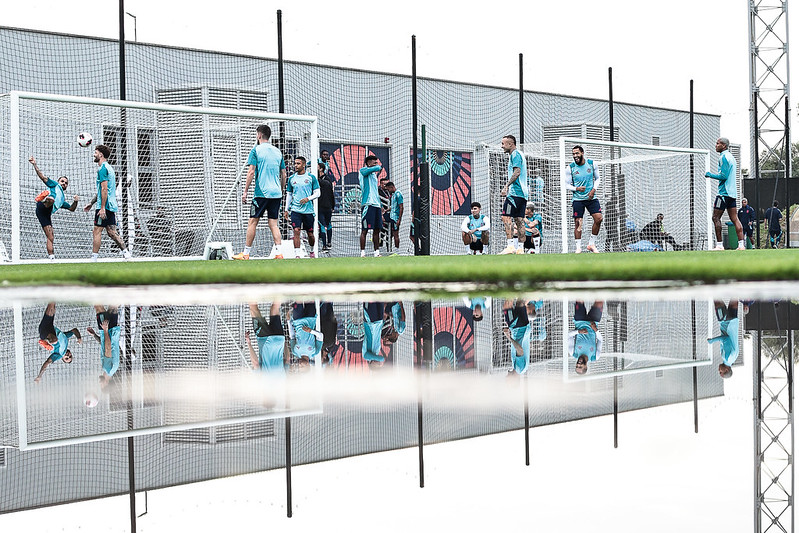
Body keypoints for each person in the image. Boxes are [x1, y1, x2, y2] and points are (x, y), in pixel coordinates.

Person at [234, 125, 287, 260]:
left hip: (261, 193)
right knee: (273, 224)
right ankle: (279, 253)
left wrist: (245, 191)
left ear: (259, 135)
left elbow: (251, 172)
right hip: (276, 194)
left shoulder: (255, 150)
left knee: (253, 221)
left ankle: (246, 253)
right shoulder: (278, 152)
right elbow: (284, 174)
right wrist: (280, 190)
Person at [83, 145, 132, 261]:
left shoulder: (102, 169)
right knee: (111, 232)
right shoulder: (109, 168)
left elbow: (104, 189)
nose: (94, 155)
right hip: (111, 204)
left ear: (101, 155)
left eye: (95, 153)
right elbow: (104, 190)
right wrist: (91, 203)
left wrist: (102, 208)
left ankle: (94, 258)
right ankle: (126, 253)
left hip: (104, 205)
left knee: (97, 230)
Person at [28, 156, 79, 260]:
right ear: (58, 181)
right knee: (51, 199)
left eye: (66, 183)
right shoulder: (55, 185)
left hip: (45, 214)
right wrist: (34, 164)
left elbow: (71, 209)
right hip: (43, 206)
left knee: (50, 237)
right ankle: (44, 199)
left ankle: (51, 258)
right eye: (62, 181)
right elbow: (42, 177)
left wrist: (75, 201)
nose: (64, 183)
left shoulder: (62, 200)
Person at [705, 137, 745, 250]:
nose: (716, 145)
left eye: (718, 143)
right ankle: (741, 245)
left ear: (724, 146)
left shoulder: (724, 157)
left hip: (723, 193)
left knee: (715, 217)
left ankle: (719, 245)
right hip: (732, 194)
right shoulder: (731, 157)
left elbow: (724, 176)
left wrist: (710, 175)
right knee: (735, 219)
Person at [563, 145, 602, 253]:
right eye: (573, 154)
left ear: (582, 153)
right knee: (578, 222)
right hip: (578, 199)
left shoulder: (592, 164)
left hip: (591, 197)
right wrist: (576, 188)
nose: (575, 156)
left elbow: (598, 178)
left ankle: (591, 244)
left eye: (577, 153)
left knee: (599, 219)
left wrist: (593, 190)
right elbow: (566, 184)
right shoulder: (570, 168)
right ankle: (578, 248)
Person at [33, 302, 82, 383]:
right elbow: (74, 330)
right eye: (70, 356)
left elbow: (47, 363)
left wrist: (39, 376)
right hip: (49, 326)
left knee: (55, 340)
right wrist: (79, 337)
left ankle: (46, 342)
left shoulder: (58, 354)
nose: (68, 355)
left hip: (45, 334)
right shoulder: (65, 340)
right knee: (52, 304)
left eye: (66, 358)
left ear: (62, 358)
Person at [285, 156, 320, 258]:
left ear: (304, 165)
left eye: (298, 163)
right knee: (296, 231)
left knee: (310, 234)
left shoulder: (311, 177)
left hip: (308, 210)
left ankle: (312, 251)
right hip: (295, 209)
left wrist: (308, 199)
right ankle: (297, 255)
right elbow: (289, 194)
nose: (296, 165)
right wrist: (286, 209)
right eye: (295, 163)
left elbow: (318, 193)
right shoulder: (291, 178)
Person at [499, 135, 528, 254]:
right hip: (523, 194)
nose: (502, 146)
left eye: (503, 144)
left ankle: (510, 246)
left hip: (515, 193)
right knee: (519, 220)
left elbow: (517, 172)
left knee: (505, 216)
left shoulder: (515, 154)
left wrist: (507, 186)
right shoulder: (520, 154)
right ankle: (520, 248)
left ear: (510, 144)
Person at [246, 300, 287, 375]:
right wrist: (249, 344)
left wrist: (284, 342)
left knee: (275, 309)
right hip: (265, 340)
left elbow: (287, 359)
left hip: (279, 340)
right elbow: (255, 363)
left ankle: (280, 294)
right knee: (254, 310)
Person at [86, 305, 121, 390]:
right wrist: (105, 330)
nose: (100, 383)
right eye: (102, 386)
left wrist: (94, 335)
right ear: (106, 383)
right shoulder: (107, 369)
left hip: (113, 331)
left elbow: (105, 347)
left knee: (113, 305)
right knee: (98, 307)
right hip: (108, 330)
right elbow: (108, 347)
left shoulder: (114, 369)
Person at [569, 300, 604, 375]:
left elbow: (568, 336)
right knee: (600, 302)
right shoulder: (594, 356)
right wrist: (595, 330)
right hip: (593, 322)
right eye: (580, 367)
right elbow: (600, 340)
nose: (578, 364)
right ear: (586, 367)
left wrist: (578, 331)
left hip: (580, 321)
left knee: (579, 299)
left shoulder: (573, 353)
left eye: (576, 366)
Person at [359, 155, 384, 257]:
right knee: (365, 230)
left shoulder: (373, 175)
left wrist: (380, 205)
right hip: (368, 204)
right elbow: (378, 168)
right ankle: (362, 253)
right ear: (368, 163)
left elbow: (375, 191)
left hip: (376, 205)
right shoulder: (363, 171)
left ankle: (376, 252)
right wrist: (377, 166)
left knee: (377, 229)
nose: (376, 164)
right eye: (374, 162)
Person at [287, 301, 323, 371]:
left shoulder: (295, 352)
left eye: (299, 367)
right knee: (310, 297)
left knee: (298, 300)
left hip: (297, 320)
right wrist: (311, 331)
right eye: (302, 366)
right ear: (308, 366)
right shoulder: (315, 352)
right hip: (310, 319)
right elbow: (320, 336)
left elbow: (292, 336)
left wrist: (289, 321)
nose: (299, 365)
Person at [709, 300, 739, 379]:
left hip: (733, 322)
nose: (719, 370)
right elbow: (725, 339)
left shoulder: (734, 358)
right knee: (717, 299)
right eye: (720, 372)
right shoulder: (727, 358)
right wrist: (712, 340)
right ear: (726, 370)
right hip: (725, 322)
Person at [502, 298, 530, 374]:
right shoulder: (519, 369)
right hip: (517, 329)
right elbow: (520, 350)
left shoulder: (523, 369)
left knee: (520, 302)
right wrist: (509, 337)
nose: (506, 377)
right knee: (507, 306)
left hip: (524, 328)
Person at [317, 162, 335, 252]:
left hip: (323, 206)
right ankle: (327, 243)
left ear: (321, 169)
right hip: (324, 206)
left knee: (324, 225)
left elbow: (331, 193)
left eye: (317, 167)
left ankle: (326, 244)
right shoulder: (326, 180)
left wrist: (332, 205)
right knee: (326, 224)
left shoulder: (323, 180)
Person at [362, 302, 385, 366]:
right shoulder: (376, 351)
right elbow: (377, 335)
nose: (378, 363)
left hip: (370, 322)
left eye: (376, 365)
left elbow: (382, 358)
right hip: (379, 322)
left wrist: (378, 362)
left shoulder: (366, 356)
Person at [385, 182, 403, 251]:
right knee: (381, 218)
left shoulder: (398, 194)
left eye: (388, 189)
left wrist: (399, 220)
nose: (388, 191)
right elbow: (393, 206)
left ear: (392, 187)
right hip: (391, 216)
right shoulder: (393, 195)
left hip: (395, 218)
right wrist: (387, 210)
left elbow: (401, 207)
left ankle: (397, 250)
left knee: (395, 234)